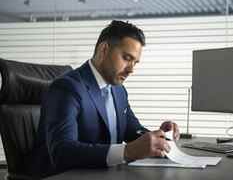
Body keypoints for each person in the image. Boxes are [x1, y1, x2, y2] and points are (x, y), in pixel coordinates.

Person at [30, 20, 180, 177]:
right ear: (104, 49)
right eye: (127, 58)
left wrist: (160, 136)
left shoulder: (118, 90)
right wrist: (127, 152)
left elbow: (132, 130)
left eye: (135, 62)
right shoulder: (67, 88)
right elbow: (62, 153)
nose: (131, 70)